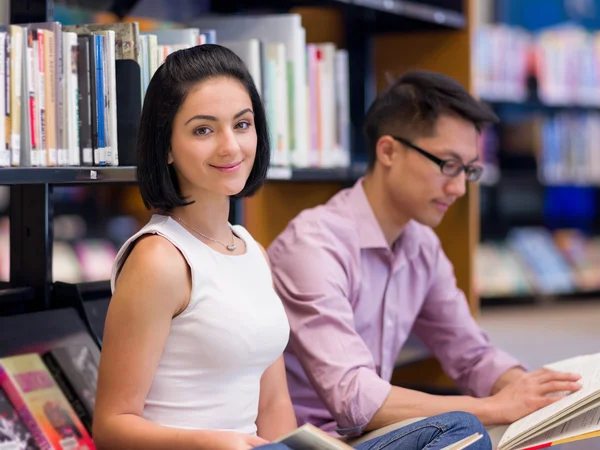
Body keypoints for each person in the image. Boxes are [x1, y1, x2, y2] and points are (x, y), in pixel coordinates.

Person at [92, 45, 491, 450]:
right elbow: (111, 427)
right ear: (167, 148)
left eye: (242, 125)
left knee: (460, 429)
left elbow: (274, 403)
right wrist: (209, 442)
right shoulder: (158, 258)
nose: (230, 146)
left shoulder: (250, 251)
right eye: (203, 130)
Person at [266, 70, 583, 442]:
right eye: (448, 165)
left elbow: (471, 354)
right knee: (470, 429)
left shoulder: (422, 245)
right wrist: (496, 406)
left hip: (372, 435)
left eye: (468, 170)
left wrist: (531, 391)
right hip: (310, 440)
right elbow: (353, 394)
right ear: (388, 151)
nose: (459, 188)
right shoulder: (313, 245)